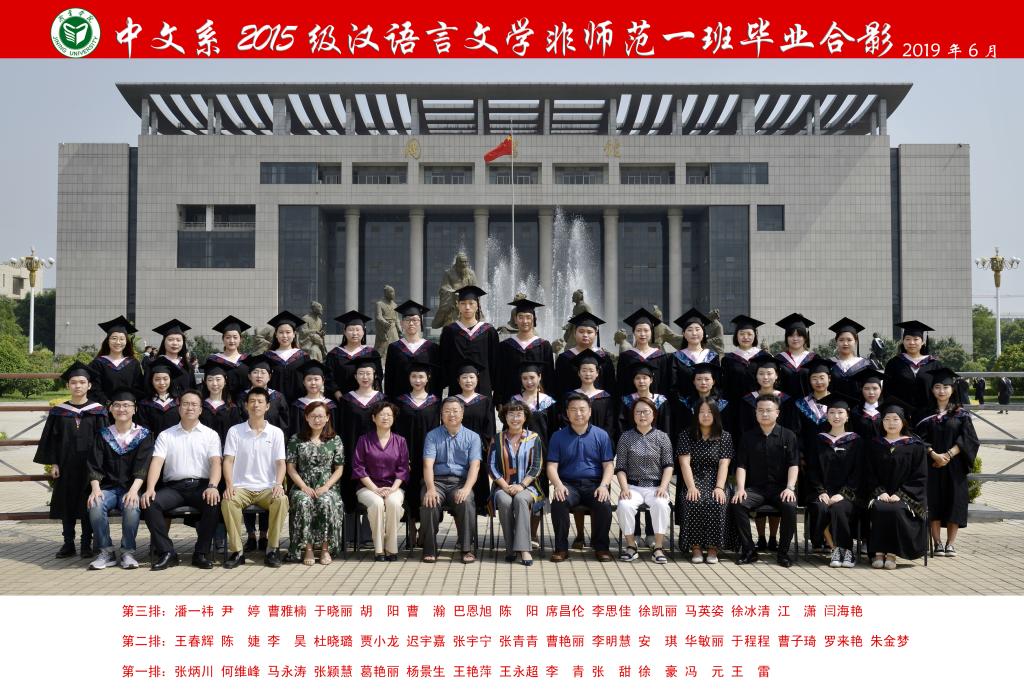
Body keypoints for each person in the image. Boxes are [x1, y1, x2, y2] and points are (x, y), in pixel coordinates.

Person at [140, 389, 223, 570]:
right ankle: (167, 552)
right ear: (179, 409)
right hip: (174, 488)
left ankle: (201, 553)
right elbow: (157, 462)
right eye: (185, 404)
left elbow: (216, 463)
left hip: (201, 486)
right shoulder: (166, 435)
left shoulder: (210, 435)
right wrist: (150, 488)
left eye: (194, 404)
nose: (189, 408)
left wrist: (212, 486)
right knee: (149, 502)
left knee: (213, 501)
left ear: (200, 410)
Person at [34, 362, 108, 558]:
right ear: (68, 385)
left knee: (88, 504)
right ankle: (68, 544)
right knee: (67, 505)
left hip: (91, 467)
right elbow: (51, 439)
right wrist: (54, 463)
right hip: (66, 465)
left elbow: (105, 441)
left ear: (89, 385)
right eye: (73, 382)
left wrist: (101, 466)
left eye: (82, 382)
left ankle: (86, 544)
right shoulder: (59, 411)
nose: (78, 386)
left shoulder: (98, 410)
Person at [221, 387, 290, 568]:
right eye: (252, 401)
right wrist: (229, 485)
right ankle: (237, 551)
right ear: (245, 405)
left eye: (260, 402)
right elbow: (228, 461)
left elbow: (280, 463)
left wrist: (278, 484)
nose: (256, 405)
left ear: (267, 406)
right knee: (228, 501)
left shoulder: (276, 432)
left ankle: (272, 549)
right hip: (241, 487)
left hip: (267, 487)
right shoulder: (235, 431)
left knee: (281, 500)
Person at [915, 367, 980, 558]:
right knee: (933, 502)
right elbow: (918, 439)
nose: (941, 391)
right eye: (937, 387)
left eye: (945, 387)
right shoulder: (924, 414)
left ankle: (951, 544)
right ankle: (937, 543)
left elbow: (969, 439)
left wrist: (948, 455)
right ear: (932, 390)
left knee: (955, 502)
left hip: (955, 466)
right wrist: (934, 455)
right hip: (931, 465)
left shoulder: (961, 414)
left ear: (952, 389)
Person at [730, 393, 801, 568]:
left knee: (790, 506)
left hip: (781, 489)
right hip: (756, 489)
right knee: (738, 503)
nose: (764, 414)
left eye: (769, 410)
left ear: (777, 413)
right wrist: (740, 488)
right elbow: (741, 466)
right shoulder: (748, 437)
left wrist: (790, 488)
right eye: (760, 410)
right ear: (755, 413)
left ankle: (783, 553)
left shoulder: (789, 436)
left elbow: (794, 464)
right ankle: (749, 550)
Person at [85, 389, 153, 570]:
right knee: (95, 504)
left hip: (131, 488)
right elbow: (94, 464)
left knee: (131, 506)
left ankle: (127, 552)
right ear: (110, 409)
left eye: (126, 405)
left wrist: (134, 491)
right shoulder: (103, 434)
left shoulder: (143, 435)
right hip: (107, 488)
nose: (121, 409)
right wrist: (95, 489)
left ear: (134, 409)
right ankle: (106, 552)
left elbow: (143, 466)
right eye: (117, 405)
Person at [546, 393, 615, 562]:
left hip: (594, 485)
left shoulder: (601, 435)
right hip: (568, 485)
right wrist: (558, 485)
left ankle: (601, 547)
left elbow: (608, 465)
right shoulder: (557, 436)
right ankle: (561, 548)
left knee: (604, 504)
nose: (578, 413)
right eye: (573, 410)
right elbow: (551, 466)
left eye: (582, 409)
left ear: (590, 412)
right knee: (559, 502)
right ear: (567, 413)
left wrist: (604, 485)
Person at [865, 399, 929, 569]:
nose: (891, 423)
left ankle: (892, 554)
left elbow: (920, 476)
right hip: (880, 494)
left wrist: (900, 494)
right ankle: (879, 552)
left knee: (895, 510)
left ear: (903, 422)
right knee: (880, 507)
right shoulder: (874, 444)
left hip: (907, 497)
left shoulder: (915, 446)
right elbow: (869, 473)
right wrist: (880, 492)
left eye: (895, 419)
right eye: (887, 419)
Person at [420, 397, 483, 563]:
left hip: (460, 482)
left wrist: (466, 489)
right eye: (447, 411)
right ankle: (429, 548)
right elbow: (427, 465)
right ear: (441, 414)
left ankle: (467, 548)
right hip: (437, 481)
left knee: (466, 501)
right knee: (429, 500)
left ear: (462, 413)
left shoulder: (473, 437)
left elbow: (475, 466)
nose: (451, 414)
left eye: (455, 411)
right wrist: (431, 488)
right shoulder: (432, 436)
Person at [805, 393, 863, 568]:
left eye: (840, 412)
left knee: (838, 508)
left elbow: (858, 472)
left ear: (847, 416)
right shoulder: (819, 440)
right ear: (826, 415)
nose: (836, 416)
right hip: (822, 491)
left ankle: (846, 550)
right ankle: (835, 548)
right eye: (831, 412)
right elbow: (812, 469)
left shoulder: (856, 441)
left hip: (848, 493)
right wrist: (821, 491)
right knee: (821, 507)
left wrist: (843, 494)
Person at [615, 398, 674, 564]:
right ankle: (631, 545)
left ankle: (658, 547)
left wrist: (663, 487)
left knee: (661, 504)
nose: (642, 415)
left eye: (646, 412)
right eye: (638, 412)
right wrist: (624, 488)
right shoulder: (625, 437)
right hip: (633, 486)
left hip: (656, 486)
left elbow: (668, 466)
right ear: (633, 415)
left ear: (653, 414)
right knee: (624, 505)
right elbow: (620, 467)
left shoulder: (662, 437)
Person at [286, 401, 345, 566]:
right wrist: (303, 487)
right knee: (303, 502)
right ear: (306, 417)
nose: (317, 420)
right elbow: (290, 468)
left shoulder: (335, 440)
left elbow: (339, 469)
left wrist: (326, 487)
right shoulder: (296, 439)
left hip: (327, 485)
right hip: (302, 485)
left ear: (327, 418)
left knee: (325, 501)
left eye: (320, 416)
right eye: (313, 416)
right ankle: (308, 548)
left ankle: (325, 549)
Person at [677, 398, 734, 565]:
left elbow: (724, 464)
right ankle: (695, 547)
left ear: (716, 415)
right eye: (701, 412)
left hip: (716, 479)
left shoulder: (725, 436)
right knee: (694, 500)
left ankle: (712, 548)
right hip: (693, 478)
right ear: (696, 415)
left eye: (709, 412)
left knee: (717, 501)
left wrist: (719, 487)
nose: (706, 415)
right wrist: (691, 487)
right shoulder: (686, 435)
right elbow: (684, 463)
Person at [489, 401, 545, 566]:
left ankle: (523, 549)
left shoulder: (533, 438)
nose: (515, 418)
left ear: (525, 417)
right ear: (505, 417)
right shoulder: (497, 439)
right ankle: (510, 547)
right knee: (504, 500)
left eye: (519, 414)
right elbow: (492, 466)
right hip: (503, 486)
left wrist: (521, 485)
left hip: (528, 486)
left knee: (520, 499)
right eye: (511, 414)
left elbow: (536, 466)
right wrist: (505, 486)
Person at [353, 400, 409, 561]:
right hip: (367, 487)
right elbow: (358, 467)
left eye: (389, 415)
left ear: (394, 418)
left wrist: (393, 489)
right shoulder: (364, 440)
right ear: (373, 418)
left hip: (393, 486)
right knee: (377, 503)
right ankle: (379, 549)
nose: (385, 418)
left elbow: (403, 468)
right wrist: (375, 489)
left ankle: (391, 548)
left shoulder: (400, 441)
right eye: (382, 415)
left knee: (394, 503)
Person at [439, 285, 500, 398]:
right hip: (457, 386)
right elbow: (444, 361)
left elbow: (495, 362)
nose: (467, 307)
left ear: (477, 306)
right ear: (458, 305)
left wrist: (496, 390)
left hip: (483, 386)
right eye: (463, 303)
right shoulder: (450, 331)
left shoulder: (488, 331)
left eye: (471, 303)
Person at [454, 359, 496, 517]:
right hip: (456, 450)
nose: (468, 381)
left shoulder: (485, 401)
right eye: (464, 377)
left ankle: (478, 514)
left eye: (471, 377)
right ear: (458, 381)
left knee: (479, 487)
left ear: (477, 379)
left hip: (479, 451)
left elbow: (490, 427)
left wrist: (483, 446)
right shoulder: (453, 401)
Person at [494, 298, 556, 405]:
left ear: (534, 319)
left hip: (538, 402)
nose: (525, 321)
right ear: (515, 319)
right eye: (521, 317)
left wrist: (549, 401)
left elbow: (549, 376)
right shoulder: (505, 346)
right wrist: (499, 400)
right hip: (511, 400)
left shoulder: (544, 346)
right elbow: (500, 375)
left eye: (528, 317)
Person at [720, 314, 770, 436]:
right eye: (742, 334)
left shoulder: (764, 357)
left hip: (759, 405)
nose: (745, 337)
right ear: (736, 336)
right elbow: (725, 386)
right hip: (735, 407)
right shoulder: (728, 359)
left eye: (749, 334)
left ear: (755, 336)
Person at [883, 320, 942, 420]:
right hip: (901, 417)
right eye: (908, 339)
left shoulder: (934, 364)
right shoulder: (893, 363)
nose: (911, 342)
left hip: (929, 416)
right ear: (903, 341)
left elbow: (941, 390)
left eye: (916, 339)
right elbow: (887, 392)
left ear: (923, 342)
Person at [384, 300, 443, 399]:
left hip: (426, 402)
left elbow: (437, 379)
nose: (411, 323)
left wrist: (436, 402)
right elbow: (389, 378)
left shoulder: (432, 348)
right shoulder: (394, 348)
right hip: (399, 400)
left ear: (420, 322)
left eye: (415, 320)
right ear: (402, 323)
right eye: (407, 320)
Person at [554, 311, 617, 401]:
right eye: (581, 331)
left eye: (589, 332)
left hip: (599, 404)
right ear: (575, 333)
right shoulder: (564, 358)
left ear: (596, 334)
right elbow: (559, 387)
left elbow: (610, 386)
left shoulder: (604, 357)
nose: (585, 335)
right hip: (571, 405)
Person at [89, 315, 144, 406]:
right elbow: (94, 389)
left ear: (126, 342)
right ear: (108, 341)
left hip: (128, 409)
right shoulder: (98, 363)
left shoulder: (133, 363)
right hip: (104, 409)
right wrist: (109, 404)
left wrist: (130, 404)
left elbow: (139, 388)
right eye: (114, 338)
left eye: (122, 339)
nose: (118, 342)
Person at [326, 310, 382, 399]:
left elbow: (378, 377)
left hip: (366, 399)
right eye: (351, 330)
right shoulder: (334, 354)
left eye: (358, 330)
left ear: (363, 332)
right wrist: (340, 397)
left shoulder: (372, 353)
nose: (355, 333)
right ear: (344, 332)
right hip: (340, 400)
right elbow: (329, 379)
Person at [616, 308, 670, 397]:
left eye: (646, 330)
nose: (642, 334)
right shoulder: (625, 357)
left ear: (651, 332)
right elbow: (621, 385)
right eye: (638, 330)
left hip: (656, 403)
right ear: (633, 333)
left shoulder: (661, 356)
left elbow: (665, 384)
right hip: (631, 403)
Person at [569, 349, 619, 442]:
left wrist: (601, 441)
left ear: (597, 373)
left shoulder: (605, 398)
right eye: (584, 370)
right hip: (575, 442)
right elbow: (566, 422)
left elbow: (610, 425)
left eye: (591, 370)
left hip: (600, 443)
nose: (588, 374)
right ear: (579, 373)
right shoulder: (570, 397)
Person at [264, 311, 309, 404]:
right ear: (276, 334)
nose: (284, 336)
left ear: (294, 334)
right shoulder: (268, 356)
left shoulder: (303, 356)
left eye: (288, 332)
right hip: (274, 403)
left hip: (298, 403)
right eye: (281, 332)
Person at [288, 360, 337, 439]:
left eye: (316, 379)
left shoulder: (331, 405)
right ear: (304, 382)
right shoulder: (297, 405)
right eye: (309, 379)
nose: (313, 383)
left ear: (323, 381)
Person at [209, 315, 252, 402]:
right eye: (228, 337)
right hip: (221, 403)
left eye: (235, 337)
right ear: (223, 339)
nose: (232, 341)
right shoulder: (214, 360)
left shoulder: (248, 360)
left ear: (240, 339)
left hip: (245, 403)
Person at [827, 318, 872, 401]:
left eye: (849, 340)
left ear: (855, 341)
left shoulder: (865, 364)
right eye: (841, 340)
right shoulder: (829, 364)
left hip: (859, 407)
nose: (845, 343)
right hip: (834, 407)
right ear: (836, 341)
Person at [774, 313, 817, 399]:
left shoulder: (814, 358)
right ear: (786, 338)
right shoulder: (778, 359)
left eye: (799, 335)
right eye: (791, 335)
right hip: (784, 405)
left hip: (808, 405)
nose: (795, 339)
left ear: (805, 338)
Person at [136, 359, 184, 436]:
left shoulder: (180, 401)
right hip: (153, 442)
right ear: (151, 381)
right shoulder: (144, 404)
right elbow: (143, 429)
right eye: (157, 379)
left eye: (165, 379)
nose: (162, 383)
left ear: (170, 380)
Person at [199, 359, 241, 444]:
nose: (214, 384)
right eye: (210, 380)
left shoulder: (232, 408)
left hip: (225, 449)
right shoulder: (200, 406)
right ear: (205, 382)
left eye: (218, 379)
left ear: (225, 381)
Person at [151, 319, 194, 396]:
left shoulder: (187, 366)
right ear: (164, 342)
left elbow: (192, 390)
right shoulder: (154, 365)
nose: (175, 343)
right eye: (170, 340)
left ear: (183, 343)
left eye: (178, 340)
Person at [850, 368, 885, 441]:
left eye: (875, 388)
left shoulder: (887, 410)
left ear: (880, 390)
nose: (871, 392)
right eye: (866, 388)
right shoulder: (855, 412)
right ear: (861, 390)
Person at [374, 286, 401, 361]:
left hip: (393, 328)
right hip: (384, 329)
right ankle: (379, 361)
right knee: (383, 346)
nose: (393, 294)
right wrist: (385, 322)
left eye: (394, 292)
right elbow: (378, 316)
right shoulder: (379, 304)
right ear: (386, 293)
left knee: (396, 345)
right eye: (391, 292)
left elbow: (397, 318)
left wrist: (399, 328)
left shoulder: (395, 305)